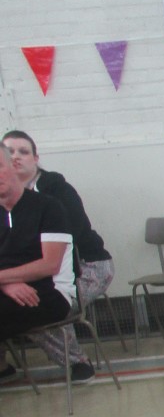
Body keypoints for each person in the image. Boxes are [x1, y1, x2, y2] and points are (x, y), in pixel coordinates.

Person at [2, 130, 113, 383]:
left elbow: (57, 253)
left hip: (86, 266)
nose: (15, 157)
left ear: (36, 158)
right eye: (9, 152)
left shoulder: (55, 194)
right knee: (16, 296)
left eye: (23, 152)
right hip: (25, 271)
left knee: (35, 302)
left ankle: (76, 361)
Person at [0, 146, 75, 359]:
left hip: (49, 291)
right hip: (7, 289)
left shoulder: (48, 207)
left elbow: (50, 264)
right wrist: (6, 284)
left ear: (14, 166)